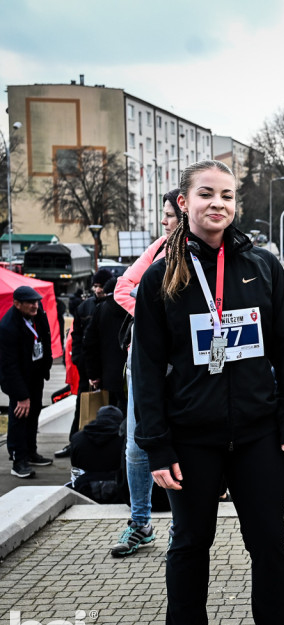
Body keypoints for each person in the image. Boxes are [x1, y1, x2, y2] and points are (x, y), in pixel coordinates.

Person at [132, 160, 284, 625]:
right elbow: (145, 369)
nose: (218, 204)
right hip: (192, 437)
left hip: (258, 432)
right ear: (184, 203)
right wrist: (157, 445)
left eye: (228, 196)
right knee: (190, 545)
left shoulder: (261, 267)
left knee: (269, 543)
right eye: (207, 194)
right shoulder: (160, 277)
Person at [108, 189, 180, 558]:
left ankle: (180, 529)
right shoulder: (157, 249)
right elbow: (122, 288)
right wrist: (156, 316)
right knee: (136, 446)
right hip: (144, 361)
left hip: (184, 365)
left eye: (168, 215)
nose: (163, 222)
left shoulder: (210, 254)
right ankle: (140, 522)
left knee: (183, 443)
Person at [1, 285, 53, 478]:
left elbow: (45, 338)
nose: (35, 305)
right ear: (17, 304)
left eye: (36, 301)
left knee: (34, 412)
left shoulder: (38, 315)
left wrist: (45, 366)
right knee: (20, 415)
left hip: (36, 374)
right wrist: (21, 395)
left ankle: (30, 451)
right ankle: (18, 459)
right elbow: (9, 366)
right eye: (30, 302)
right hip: (18, 378)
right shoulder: (8, 327)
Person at [68, 269, 113, 439]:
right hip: (87, 370)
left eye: (101, 286)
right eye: (95, 286)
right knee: (82, 407)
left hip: (106, 369)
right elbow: (77, 338)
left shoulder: (109, 306)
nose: (98, 289)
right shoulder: (84, 308)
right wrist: (80, 362)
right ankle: (76, 440)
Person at [83, 276, 128, 412]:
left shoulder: (101, 309)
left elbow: (90, 343)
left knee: (111, 413)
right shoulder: (133, 307)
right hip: (132, 374)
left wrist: (94, 374)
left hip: (108, 375)